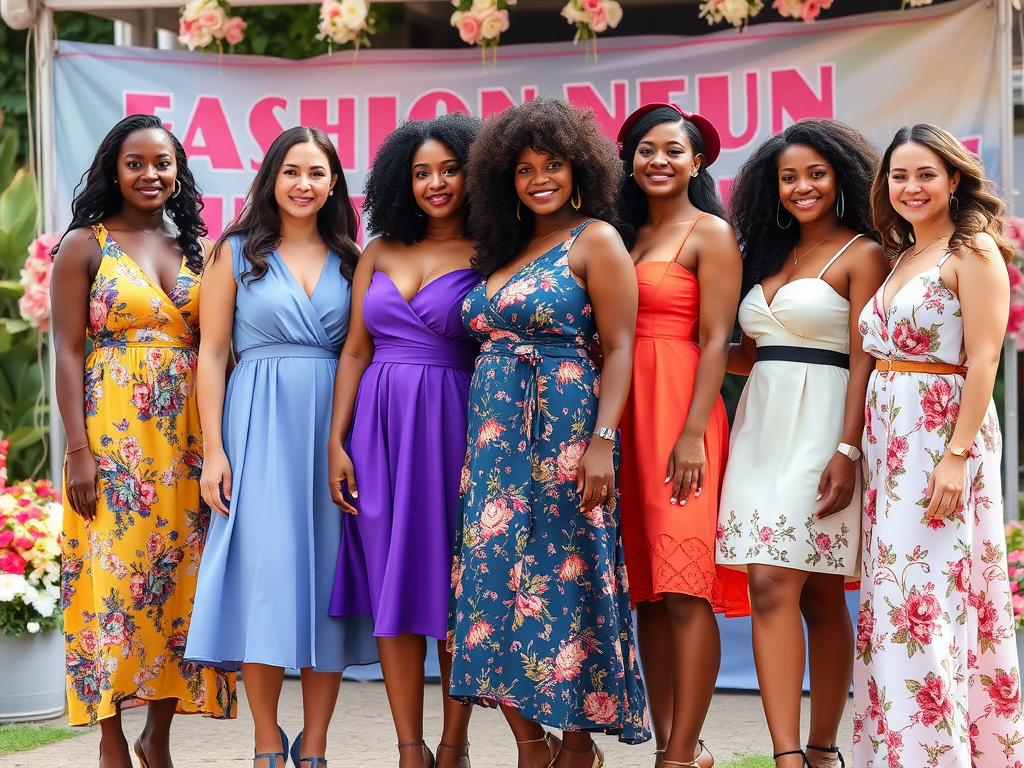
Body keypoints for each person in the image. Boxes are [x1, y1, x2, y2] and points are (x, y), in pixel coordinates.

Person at [447, 97, 649, 768]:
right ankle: (531, 743)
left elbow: (618, 346)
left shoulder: (596, 239)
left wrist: (602, 442)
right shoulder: (501, 247)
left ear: (579, 169)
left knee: (563, 578)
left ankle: (576, 744)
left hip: (564, 427)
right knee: (493, 582)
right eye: (525, 167)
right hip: (494, 433)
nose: (540, 178)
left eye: (554, 165)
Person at [184, 126, 377, 768]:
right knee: (263, 580)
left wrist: (350, 437)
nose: (304, 184)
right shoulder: (234, 252)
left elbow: (360, 350)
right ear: (271, 178)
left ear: (334, 184)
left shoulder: (353, 258)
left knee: (327, 578)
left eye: (317, 173)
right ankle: (267, 737)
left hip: (331, 428)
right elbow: (211, 355)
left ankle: (316, 741)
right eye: (291, 171)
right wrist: (215, 450)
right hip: (255, 424)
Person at [51, 114, 236, 768]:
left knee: (179, 583)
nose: (151, 174)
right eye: (137, 162)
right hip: (113, 442)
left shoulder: (198, 250)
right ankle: (108, 737)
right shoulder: (84, 245)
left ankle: (157, 736)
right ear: (114, 169)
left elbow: (219, 346)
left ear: (178, 170)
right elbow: (67, 353)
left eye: (163, 162)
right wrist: (77, 451)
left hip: (185, 443)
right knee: (110, 584)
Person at [715, 119, 887, 768]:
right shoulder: (764, 256)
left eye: (815, 173)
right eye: (789, 177)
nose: (802, 186)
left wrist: (847, 452)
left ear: (840, 176)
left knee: (794, 587)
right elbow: (751, 355)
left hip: (825, 433)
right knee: (794, 587)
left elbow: (866, 360)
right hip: (761, 431)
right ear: (772, 186)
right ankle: (803, 754)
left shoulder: (863, 254)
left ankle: (807, 750)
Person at [853, 123, 1023, 768]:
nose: (912, 186)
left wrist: (955, 458)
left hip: (941, 440)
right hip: (892, 444)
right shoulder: (900, 256)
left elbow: (984, 361)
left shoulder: (973, 250)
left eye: (926, 174)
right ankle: (900, 751)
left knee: (927, 602)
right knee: (896, 601)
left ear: (954, 179)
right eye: (899, 175)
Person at [327, 114, 481, 768]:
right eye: (422, 172)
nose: (436, 182)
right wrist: (336, 442)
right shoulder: (380, 251)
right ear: (402, 180)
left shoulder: (492, 249)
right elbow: (355, 351)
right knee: (394, 585)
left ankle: (453, 743)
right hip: (378, 431)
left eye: (449, 168)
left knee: (451, 586)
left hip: (457, 423)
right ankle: (409, 747)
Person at [614, 103, 750, 768]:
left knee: (684, 584)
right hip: (623, 415)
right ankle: (673, 743)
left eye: (673, 150)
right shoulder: (622, 233)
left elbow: (718, 338)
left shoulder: (710, 234)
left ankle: (683, 749)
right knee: (646, 587)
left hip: (680, 414)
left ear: (698, 162)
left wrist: (694, 432)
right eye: (646, 150)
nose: (658, 161)